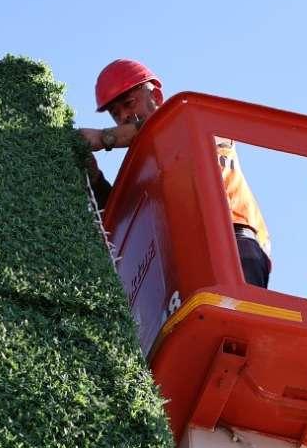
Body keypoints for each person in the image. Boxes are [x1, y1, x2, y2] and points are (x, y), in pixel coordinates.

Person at [79, 59, 273, 289]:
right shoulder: (145, 169)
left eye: (129, 103)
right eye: (115, 113)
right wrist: (95, 178)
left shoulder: (190, 119)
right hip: (181, 258)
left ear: (156, 96)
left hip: (232, 237)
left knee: (236, 307)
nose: (123, 117)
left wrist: (104, 137)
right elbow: (123, 217)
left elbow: (159, 127)